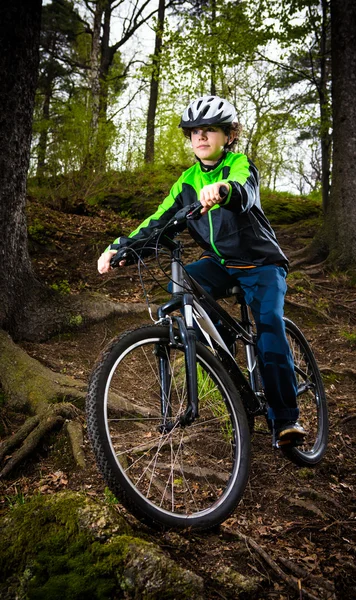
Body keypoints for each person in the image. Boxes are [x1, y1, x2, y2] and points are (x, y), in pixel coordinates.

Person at [98, 95, 306, 446]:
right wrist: (121, 248)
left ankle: (286, 418)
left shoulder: (240, 164)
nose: (201, 137)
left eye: (210, 130)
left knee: (269, 325)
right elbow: (157, 222)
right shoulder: (187, 181)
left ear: (228, 135)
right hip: (221, 264)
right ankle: (221, 354)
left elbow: (244, 191)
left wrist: (223, 190)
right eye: (194, 131)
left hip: (261, 263)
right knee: (181, 283)